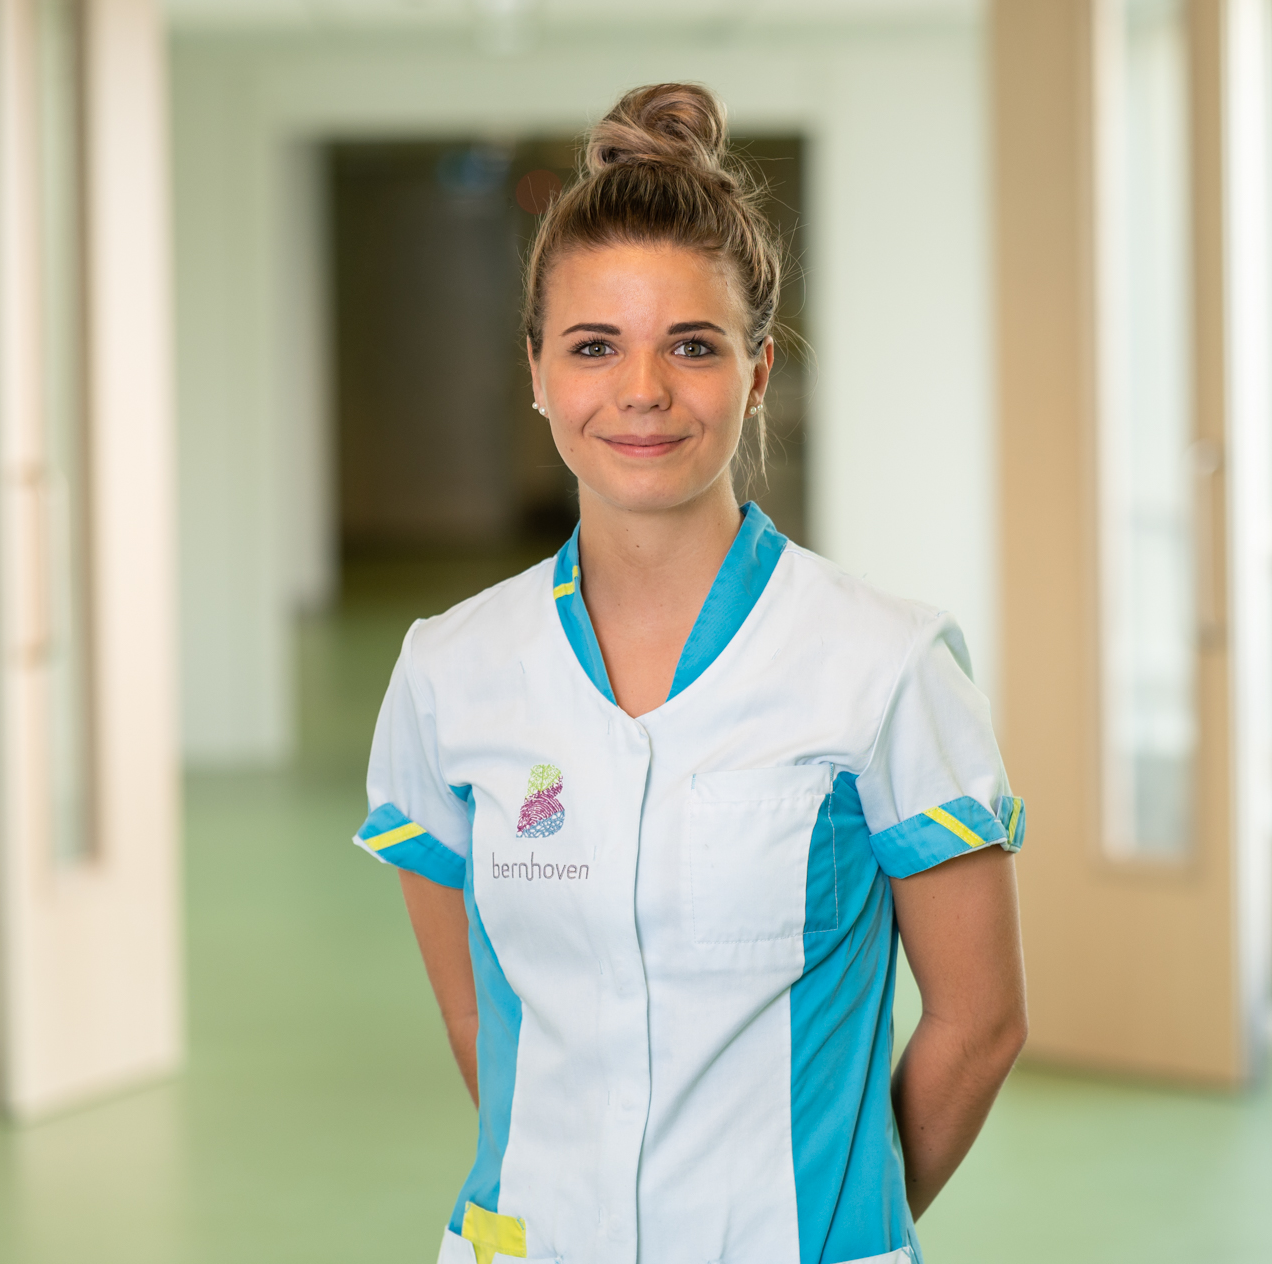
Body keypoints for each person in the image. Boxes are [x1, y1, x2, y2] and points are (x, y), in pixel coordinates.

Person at [354, 82, 1028, 1264]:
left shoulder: (885, 665)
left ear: (756, 371)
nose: (643, 391)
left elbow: (978, 1025)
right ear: (536, 370)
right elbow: (479, 1018)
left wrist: (837, 1225)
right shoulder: (448, 674)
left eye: (692, 346)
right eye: (594, 346)